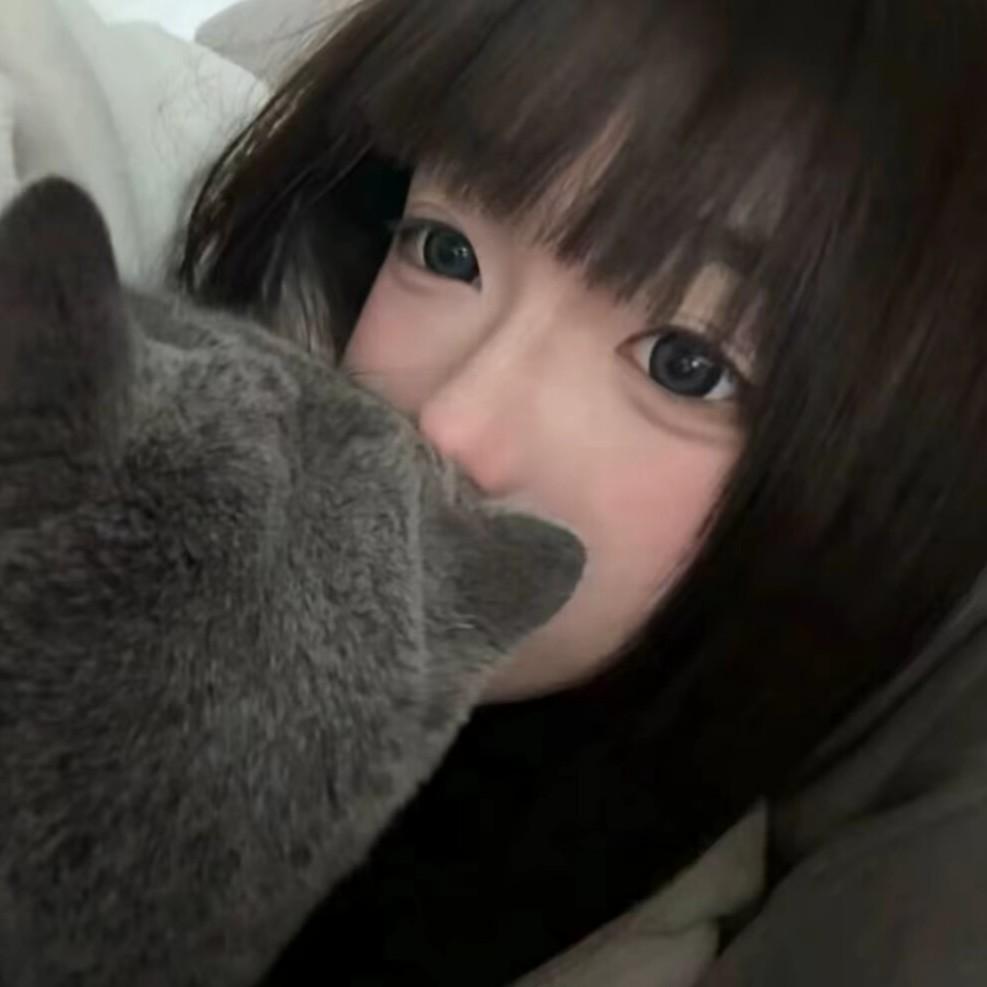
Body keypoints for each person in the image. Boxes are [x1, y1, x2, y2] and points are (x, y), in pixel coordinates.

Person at [6, 1, 987, 985]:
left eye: (685, 364)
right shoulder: (151, 339)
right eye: (444, 250)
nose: (453, 425)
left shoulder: (634, 945)